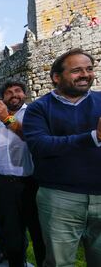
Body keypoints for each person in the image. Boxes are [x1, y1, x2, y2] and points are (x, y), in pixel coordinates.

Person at [23, 48, 101, 267]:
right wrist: (93, 137)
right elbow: (40, 145)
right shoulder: (39, 108)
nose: (85, 74)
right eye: (77, 70)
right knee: (59, 262)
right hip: (60, 198)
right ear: (56, 77)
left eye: (89, 69)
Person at [0, 81, 45, 267]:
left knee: (38, 234)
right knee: (12, 236)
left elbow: (31, 137)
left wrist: (6, 117)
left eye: (17, 91)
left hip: (30, 184)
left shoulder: (34, 113)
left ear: (24, 94)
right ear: (3, 97)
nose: (13, 94)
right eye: (8, 92)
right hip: (4, 184)